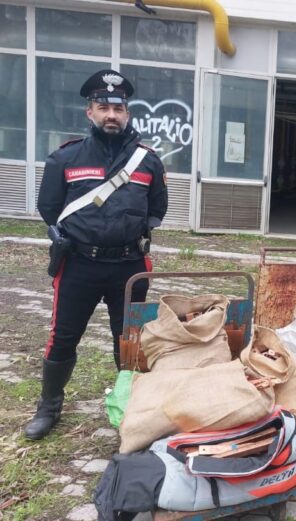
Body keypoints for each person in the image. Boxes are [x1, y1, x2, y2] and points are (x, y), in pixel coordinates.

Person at [26, 69, 168, 440]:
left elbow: (157, 209)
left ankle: (132, 407)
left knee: (129, 341)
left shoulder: (148, 161)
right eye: (103, 107)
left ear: (128, 114)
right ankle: (49, 405)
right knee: (63, 336)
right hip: (79, 265)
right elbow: (49, 207)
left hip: (129, 267)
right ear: (90, 111)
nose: (111, 115)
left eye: (118, 109)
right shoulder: (66, 158)